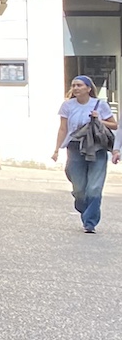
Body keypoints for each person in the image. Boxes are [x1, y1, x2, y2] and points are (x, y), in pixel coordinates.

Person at [52, 75, 121, 233]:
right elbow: (63, 128)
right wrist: (56, 149)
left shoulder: (100, 105)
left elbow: (115, 125)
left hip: (97, 148)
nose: (76, 88)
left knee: (94, 188)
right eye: (74, 85)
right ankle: (82, 205)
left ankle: (90, 222)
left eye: (79, 85)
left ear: (89, 88)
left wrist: (99, 120)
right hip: (75, 148)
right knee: (79, 189)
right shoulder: (67, 106)